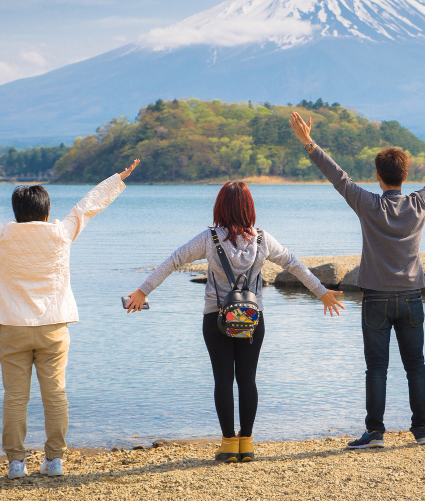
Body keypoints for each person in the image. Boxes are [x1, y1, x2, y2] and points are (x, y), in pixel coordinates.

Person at [0, 157, 140, 479]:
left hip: (12, 328)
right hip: (54, 327)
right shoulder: (61, 233)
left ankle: (15, 464)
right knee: (55, 395)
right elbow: (88, 206)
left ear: (16, 212)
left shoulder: (3, 233)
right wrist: (117, 179)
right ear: (47, 212)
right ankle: (54, 462)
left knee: (14, 398)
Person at [288, 104, 425, 449]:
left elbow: (338, 177)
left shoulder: (368, 204)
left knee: (376, 368)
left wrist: (309, 142)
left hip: (375, 297)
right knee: (416, 366)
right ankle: (422, 431)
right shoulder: (420, 203)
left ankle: (375, 432)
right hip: (411, 298)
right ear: (405, 176)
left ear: (379, 177)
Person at [125, 181, 344, 463]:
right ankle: (247, 443)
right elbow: (293, 264)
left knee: (223, 380)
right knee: (247, 379)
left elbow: (175, 259)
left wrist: (143, 290)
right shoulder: (263, 239)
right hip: (253, 321)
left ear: (221, 206)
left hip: (216, 319)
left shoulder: (209, 238)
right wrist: (322, 292)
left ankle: (229, 444)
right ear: (249, 208)